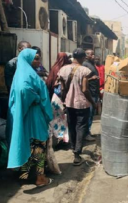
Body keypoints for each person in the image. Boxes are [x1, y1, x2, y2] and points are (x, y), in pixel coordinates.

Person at [7, 48, 53, 186]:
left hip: (25, 115)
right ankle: (40, 178)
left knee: (27, 143)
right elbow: (24, 90)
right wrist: (37, 98)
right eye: (36, 58)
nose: (39, 61)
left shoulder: (22, 73)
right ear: (27, 59)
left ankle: (24, 175)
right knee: (38, 145)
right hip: (34, 115)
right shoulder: (27, 75)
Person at [58, 48, 96, 165]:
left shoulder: (63, 69)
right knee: (81, 127)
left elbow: (63, 88)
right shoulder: (85, 70)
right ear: (83, 57)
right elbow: (85, 89)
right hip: (82, 104)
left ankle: (73, 147)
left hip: (69, 103)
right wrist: (92, 102)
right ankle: (77, 153)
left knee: (72, 126)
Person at [47, 53, 71, 143]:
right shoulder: (66, 69)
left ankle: (56, 137)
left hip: (55, 96)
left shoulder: (54, 68)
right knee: (63, 119)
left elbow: (49, 82)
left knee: (54, 118)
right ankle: (63, 138)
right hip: (63, 97)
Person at [82, 49, 99, 141]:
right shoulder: (85, 65)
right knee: (88, 114)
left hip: (94, 92)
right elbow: (81, 80)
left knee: (91, 114)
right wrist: (91, 78)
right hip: (89, 94)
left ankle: (88, 132)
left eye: (93, 54)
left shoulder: (92, 65)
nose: (93, 56)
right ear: (86, 55)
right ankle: (86, 134)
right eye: (91, 55)